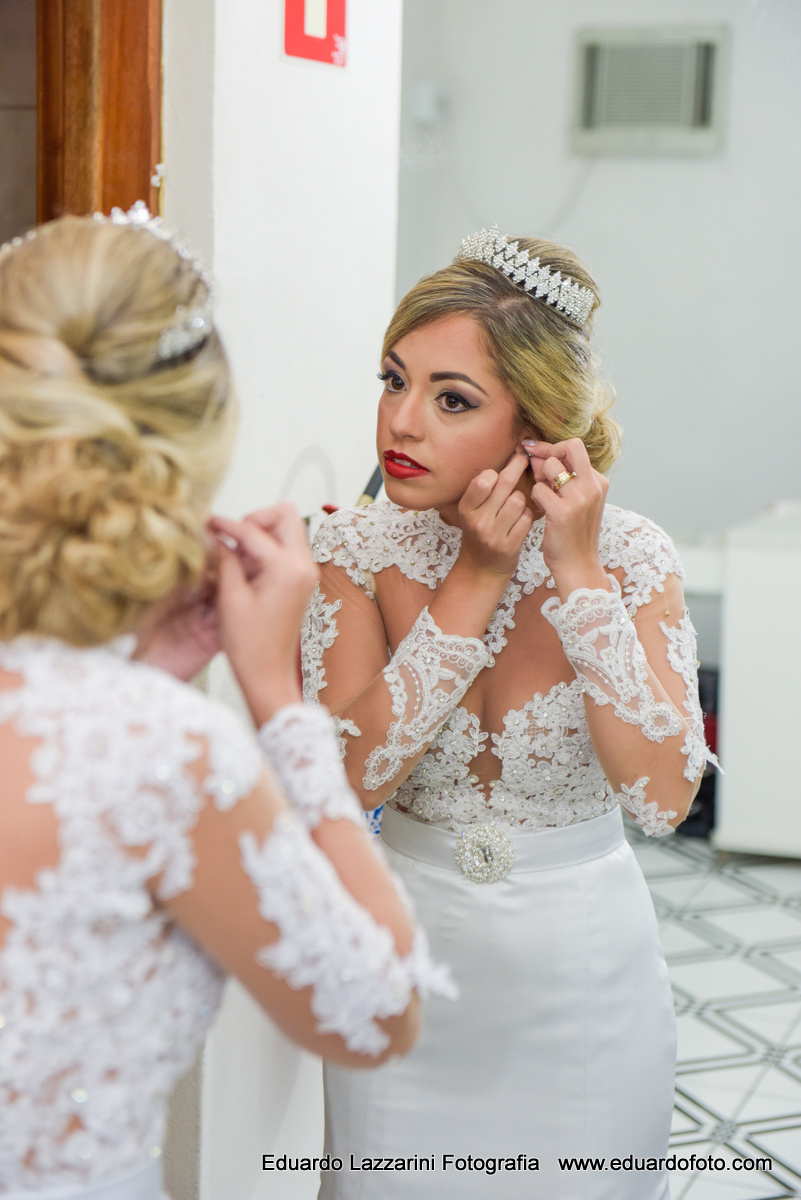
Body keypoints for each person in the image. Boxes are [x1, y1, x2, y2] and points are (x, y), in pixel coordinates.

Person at [0, 206, 453, 1200]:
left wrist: (146, 675)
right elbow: (381, 1012)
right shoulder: (160, 755)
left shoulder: (123, 730)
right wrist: (278, 702)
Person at [300, 227, 717, 1199]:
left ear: (538, 426)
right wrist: (474, 583)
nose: (400, 422)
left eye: (452, 400)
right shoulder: (355, 551)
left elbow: (661, 800)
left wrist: (575, 573)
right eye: (392, 380)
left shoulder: (634, 557)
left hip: (580, 978)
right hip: (403, 963)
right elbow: (345, 783)